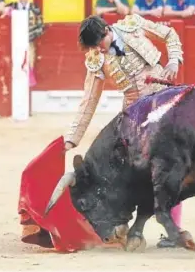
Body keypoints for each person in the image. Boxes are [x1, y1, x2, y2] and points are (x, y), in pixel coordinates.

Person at [64, 14, 185, 249]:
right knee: (125, 168)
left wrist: (174, 61)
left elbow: (169, 34)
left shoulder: (132, 26)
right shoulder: (96, 59)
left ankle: (173, 227)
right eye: (94, 46)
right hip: (135, 115)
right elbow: (89, 100)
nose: (98, 49)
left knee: (172, 165)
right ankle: (120, 224)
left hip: (165, 101)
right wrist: (72, 139)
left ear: (108, 31)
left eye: (100, 43)